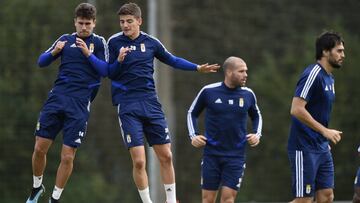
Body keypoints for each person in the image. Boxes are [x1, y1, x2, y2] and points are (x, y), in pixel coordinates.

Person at [107, 3, 220, 203]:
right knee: (139, 161)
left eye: (129, 21)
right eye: (122, 22)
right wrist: (119, 60)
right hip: (128, 105)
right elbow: (110, 72)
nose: (125, 25)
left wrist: (196, 68)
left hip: (151, 104)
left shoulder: (151, 43)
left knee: (166, 156)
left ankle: (171, 200)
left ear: (139, 21)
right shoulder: (114, 42)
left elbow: (172, 60)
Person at [25, 3, 108, 203]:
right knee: (39, 148)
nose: (84, 27)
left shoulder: (99, 43)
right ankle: (37, 188)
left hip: (79, 105)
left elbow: (106, 71)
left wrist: (88, 54)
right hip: (57, 98)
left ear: (94, 23)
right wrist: (55, 52)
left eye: (88, 23)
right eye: (80, 23)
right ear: (75, 22)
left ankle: (55, 198)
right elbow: (41, 61)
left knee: (68, 156)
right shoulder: (65, 39)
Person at [187, 56, 263, 203]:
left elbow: (257, 116)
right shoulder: (208, 91)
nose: (245, 75)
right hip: (211, 155)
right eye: (241, 71)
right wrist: (193, 135)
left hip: (236, 156)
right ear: (229, 72)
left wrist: (257, 134)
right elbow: (192, 113)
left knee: (228, 200)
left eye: (246, 71)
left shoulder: (248, 94)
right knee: (208, 200)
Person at [287, 31, 345, 203]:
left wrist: (323, 138)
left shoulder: (330, 78)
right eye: (339, 51)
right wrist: (325, 131)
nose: (343, 55)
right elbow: (296, 109)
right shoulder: (313, 74)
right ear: (326, 52)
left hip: (321, 146)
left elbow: (320, 113)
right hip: (303, 146)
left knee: (327, 196)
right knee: (304, 200)